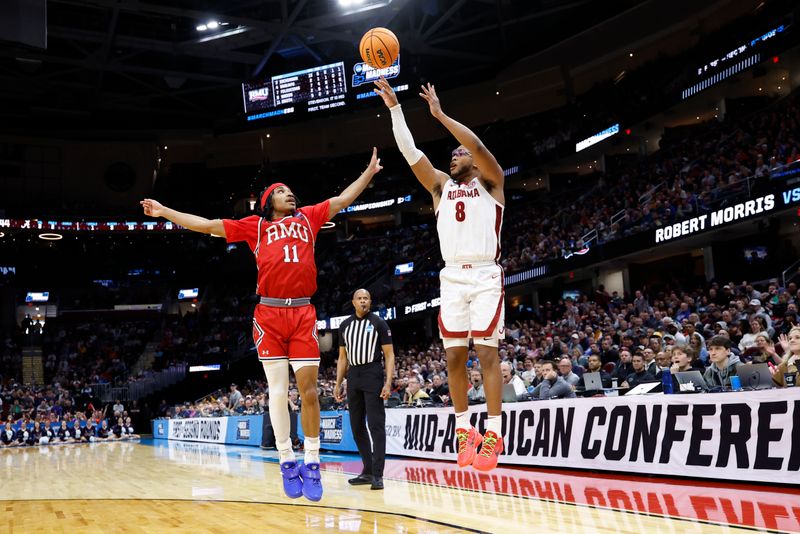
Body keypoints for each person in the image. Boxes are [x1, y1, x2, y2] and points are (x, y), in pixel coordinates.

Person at [141, 148, 383, 501]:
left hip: (302, 313)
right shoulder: (255, 227)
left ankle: (311, 463)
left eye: (290, 191)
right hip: (269, 315)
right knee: (277, 391)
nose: (290, 195)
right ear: (269, 201)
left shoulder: (309, 218)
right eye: (283, 191)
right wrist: (165, 212)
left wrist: (369, 172)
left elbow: (344, 199)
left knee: (310, 391)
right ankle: (287, 460)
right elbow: (207, 225)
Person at [375, 77, 505, 471]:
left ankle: (494, 434)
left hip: (484, 274)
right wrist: (397, 109)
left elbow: (479, 147)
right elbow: (410, 151)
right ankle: (464, 429)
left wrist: (440, 115)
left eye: (459, 152)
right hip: (452, 277)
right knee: (453, 357)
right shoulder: (439, 188)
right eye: (451, 153)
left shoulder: (492, 184)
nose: (454, 156)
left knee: (486, 353)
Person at [334, 289, 396, 491]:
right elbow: (342, 358)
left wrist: (388, 382)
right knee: (356, 426)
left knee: (376, 426)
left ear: (370, 301)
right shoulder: (344, 326)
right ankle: (368, 470)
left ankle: (378, 474)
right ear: (353, 302)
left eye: (366, 298)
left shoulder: (379, 323)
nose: (363, 301)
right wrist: (338, 383)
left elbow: (389, 355)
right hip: (353, 375)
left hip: (373, 373)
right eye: (359, 298)